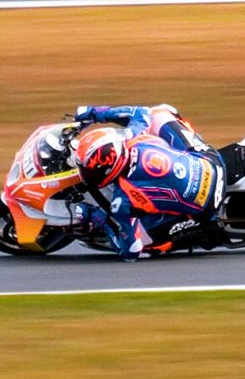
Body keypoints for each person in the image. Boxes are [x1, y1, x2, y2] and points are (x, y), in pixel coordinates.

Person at [71, 104, 226, 261]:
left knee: (144, 243)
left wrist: (99, 219)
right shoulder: (132, 136)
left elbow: (130, 252)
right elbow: (141, 112)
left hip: (205, 208)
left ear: (106, 168)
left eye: (88, 170)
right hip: (212, 163)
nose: (85, 173)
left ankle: (201, 232)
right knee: (159, 112)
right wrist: (95, 113)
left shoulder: (121, 200)